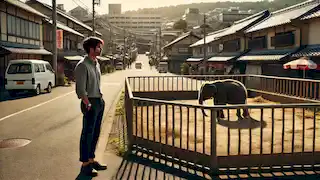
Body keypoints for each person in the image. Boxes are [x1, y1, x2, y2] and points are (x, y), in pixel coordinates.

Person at [74, 36, 107, 177]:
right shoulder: (82, 65)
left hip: (99, 101)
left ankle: (92, 160)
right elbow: (80, 89)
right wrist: (87, 103)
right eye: (98, 47)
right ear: (91, 49)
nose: (100, 49)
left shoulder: (96, 63)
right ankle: (85, 164)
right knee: (87, 133)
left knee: (95, 132)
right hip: (90, 103)